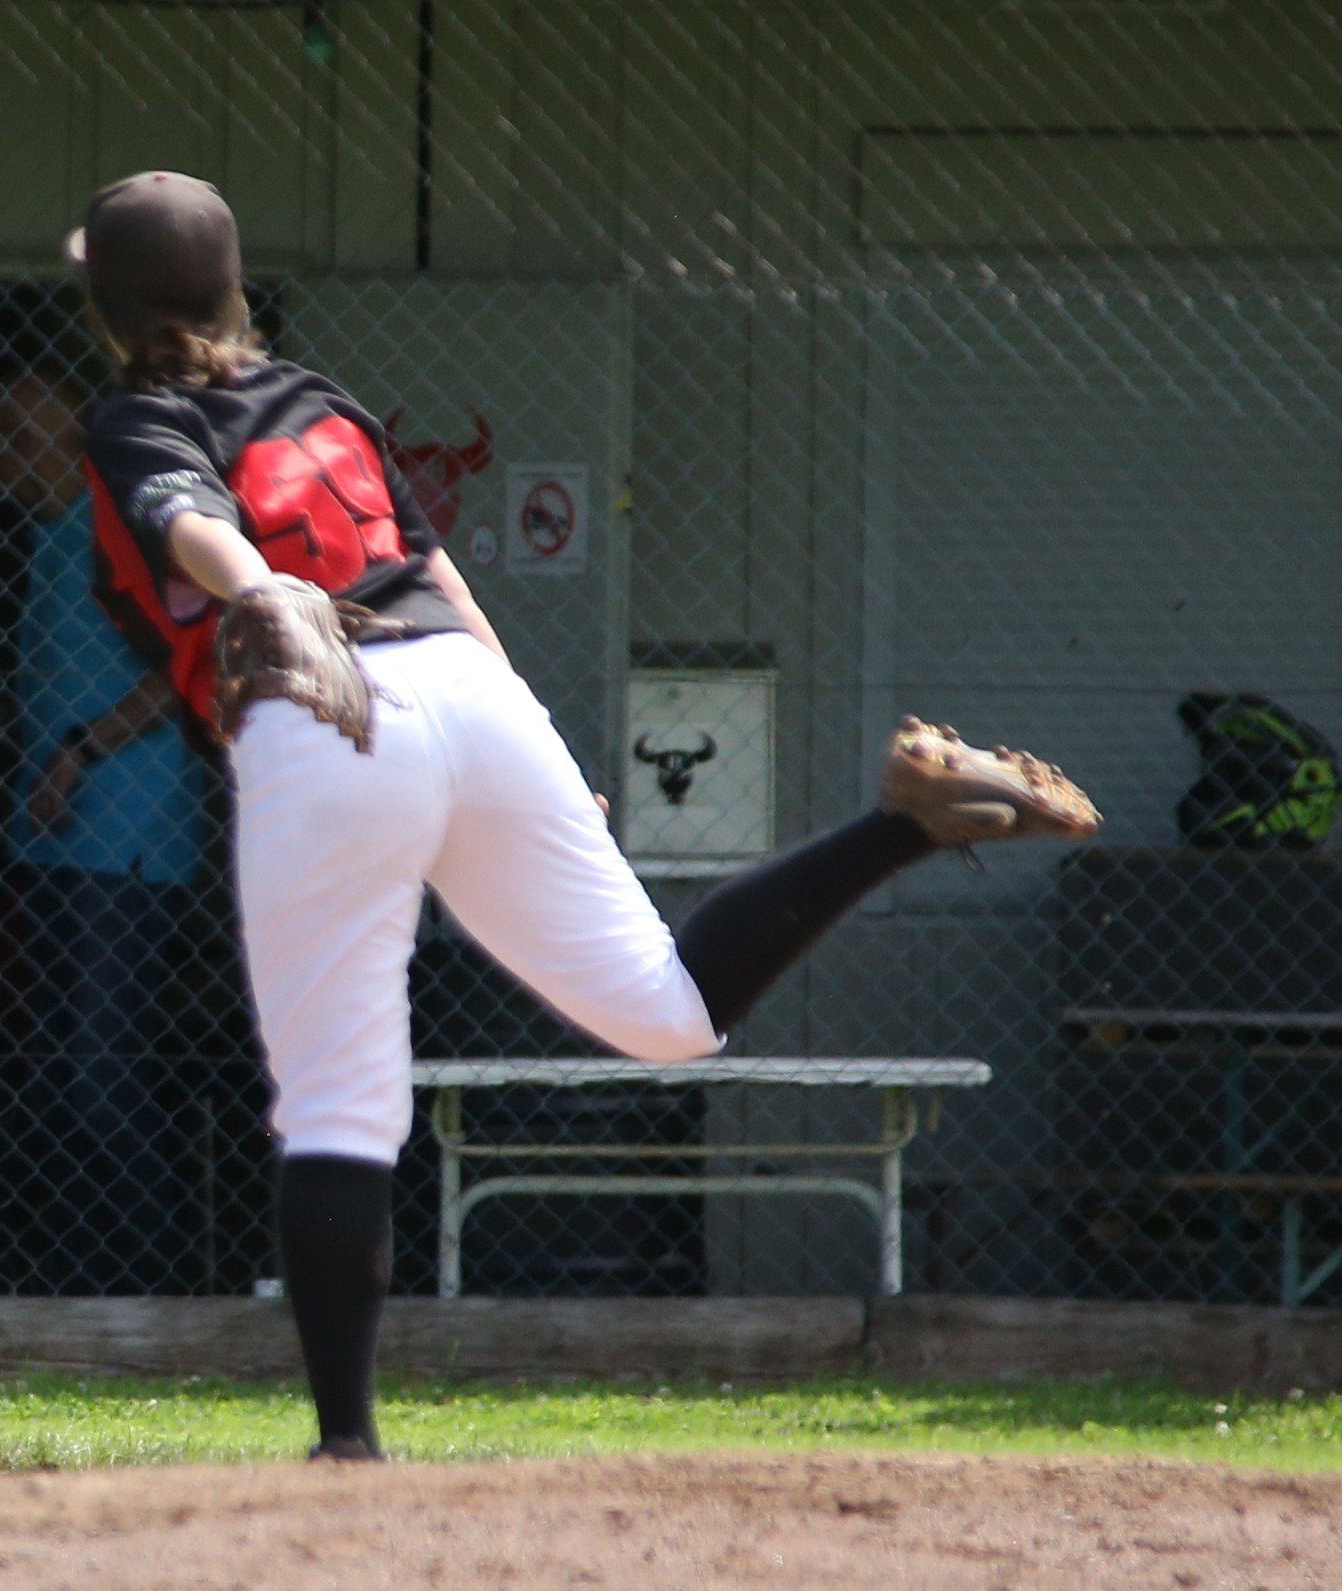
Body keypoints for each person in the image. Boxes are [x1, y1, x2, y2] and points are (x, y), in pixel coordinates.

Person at [68, 171, 1101, 1460]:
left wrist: (266, 593)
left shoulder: (135, 414)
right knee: (669, 1014)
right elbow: (437, 574)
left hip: (321, 705)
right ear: (232, 292)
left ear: (108, 307)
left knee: (338, 1102)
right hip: (470, 690)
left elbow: (187, 519)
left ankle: (348, 1446)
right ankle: (901, 827)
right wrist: (532, 748)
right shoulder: (322, 399)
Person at [0, 363, 213, 1292]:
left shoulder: (110, 526)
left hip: (126, 843)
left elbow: (184, 668)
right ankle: (82, 1279)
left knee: (98, 1074)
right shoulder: (49, 535)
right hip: (54, 842)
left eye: (15, 439)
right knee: (57, 1077)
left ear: (62, 439)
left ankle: (151, 1283)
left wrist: (79, 747)